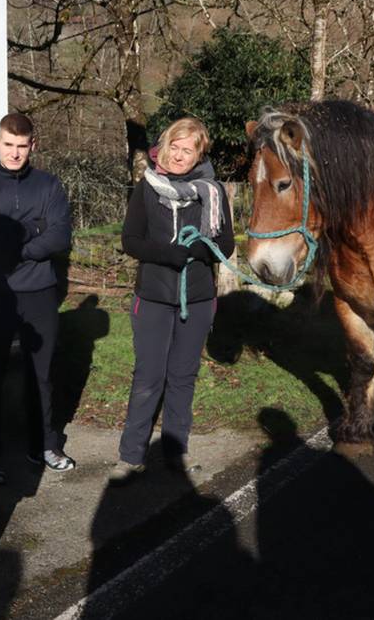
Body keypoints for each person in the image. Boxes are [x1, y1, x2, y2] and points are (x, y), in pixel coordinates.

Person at [110, 117, 234, 483]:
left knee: (183, 377)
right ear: (165, 148)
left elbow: (225, 245)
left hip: (196, 300)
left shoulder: (212, 192)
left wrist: (201, 248)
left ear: (199, 154)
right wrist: (166, 254)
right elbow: (130, 240)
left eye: (188, 150)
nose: (180, 156)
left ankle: (176, 451)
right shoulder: (146, 189)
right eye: (175, 148)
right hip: (153, 298)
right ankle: (131, 455)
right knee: (149, 377)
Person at [0, 113, 74, 484]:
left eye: (21, 146)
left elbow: (60, 237)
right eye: (8, 145)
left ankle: (42, 445)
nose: (14, 153)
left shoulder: (49, 184)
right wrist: (36, 226)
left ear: (32, 146)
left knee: (39, 376)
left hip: (40, 293)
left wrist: (18, 246)